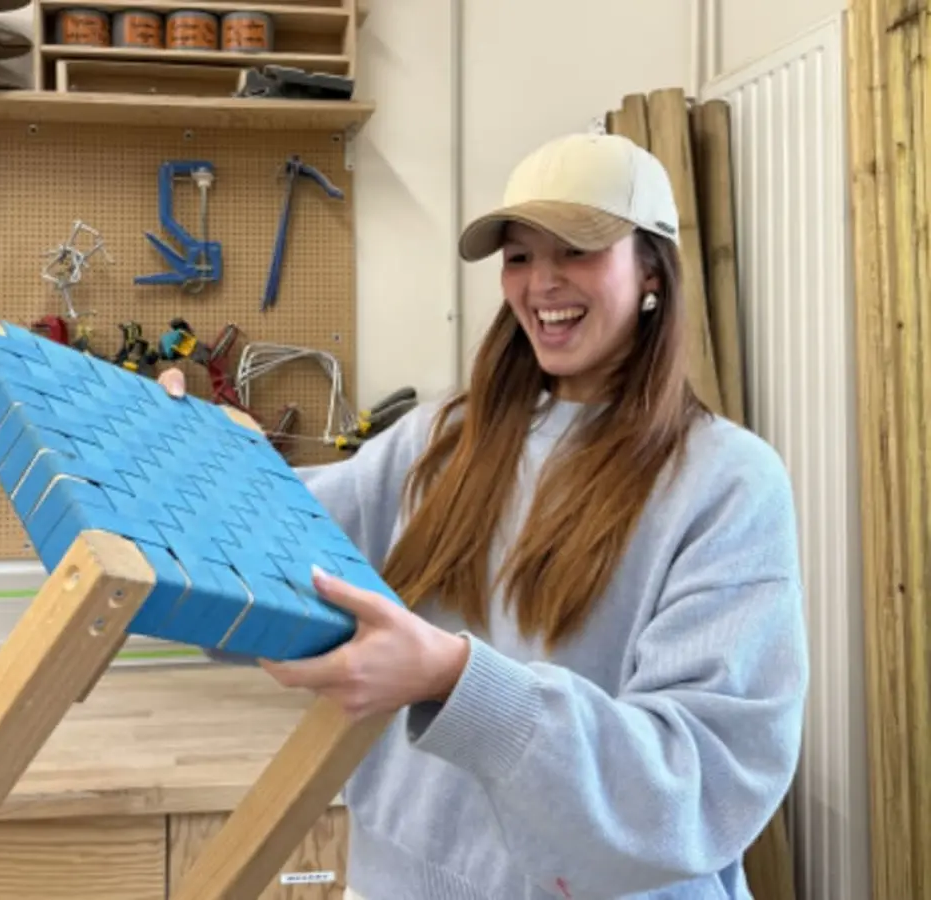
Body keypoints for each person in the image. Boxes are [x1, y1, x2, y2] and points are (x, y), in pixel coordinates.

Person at [157, 132, 808, 900]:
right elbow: (277, 547)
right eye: (521, 256)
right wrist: (177, 467)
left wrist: (454, 678)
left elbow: (697, 781)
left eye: (577, 250)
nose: (541, 284)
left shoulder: (727, 483)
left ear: (654, 271)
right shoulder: (444, 438)